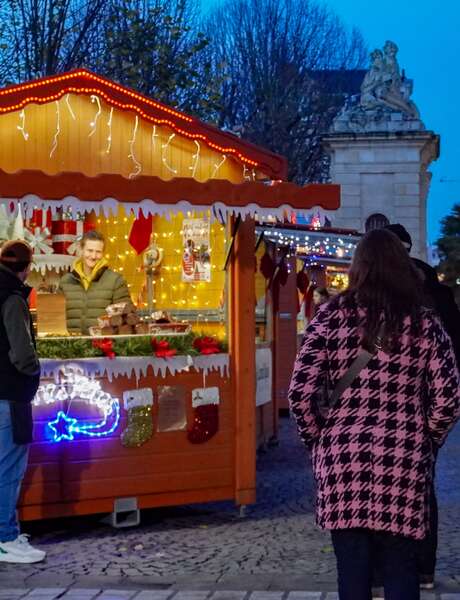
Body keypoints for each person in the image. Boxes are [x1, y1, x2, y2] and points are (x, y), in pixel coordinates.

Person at [288, 229, 459, 600]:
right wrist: (426, 439)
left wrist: (318, 440)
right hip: (403, 460)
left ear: (357, 268)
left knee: (352, 571)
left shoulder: (330, 317)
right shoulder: (424, 323)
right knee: (401, 568)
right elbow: (449, 397)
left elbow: (300, 393)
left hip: (342, 460)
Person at [384, 223, 460, 590]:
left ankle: (390, 570)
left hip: (392, 412)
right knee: (421, 488)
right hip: (425, 411)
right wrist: (434, 430)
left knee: (383, 489)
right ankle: (422, 568)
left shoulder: (389, 296)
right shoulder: (437, 297)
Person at [0, 240, 45, 563]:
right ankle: (5, 537)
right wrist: (33, 371)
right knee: (9, 469)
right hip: (11, 394)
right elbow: (22, 352)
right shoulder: (12, 298)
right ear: (27, 267)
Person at [59, 230, 131, 334]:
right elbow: (55, 317)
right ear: (81, 250)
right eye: (90, 250)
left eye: (98, 252)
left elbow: (125, 318)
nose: (93, 256)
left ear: (103, 253)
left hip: (102, 345)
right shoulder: (65, 281)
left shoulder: (116, 281)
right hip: (71, 345)